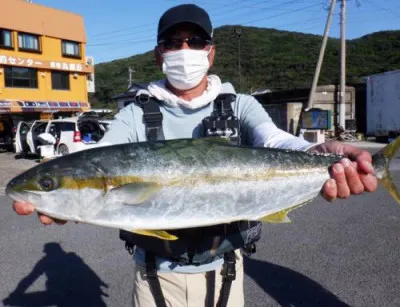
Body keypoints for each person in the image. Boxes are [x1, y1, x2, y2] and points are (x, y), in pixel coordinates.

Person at [13, 4, 378, 307]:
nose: (184, 49)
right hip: (154, 273)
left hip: (226, 271)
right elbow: (102, 154)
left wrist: (318, 156)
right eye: (173, 42)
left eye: (195, 41)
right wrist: (56, 182)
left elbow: (277, 142)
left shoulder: (241, 105)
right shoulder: (135, 113)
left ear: (210, 51)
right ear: (159, 55)